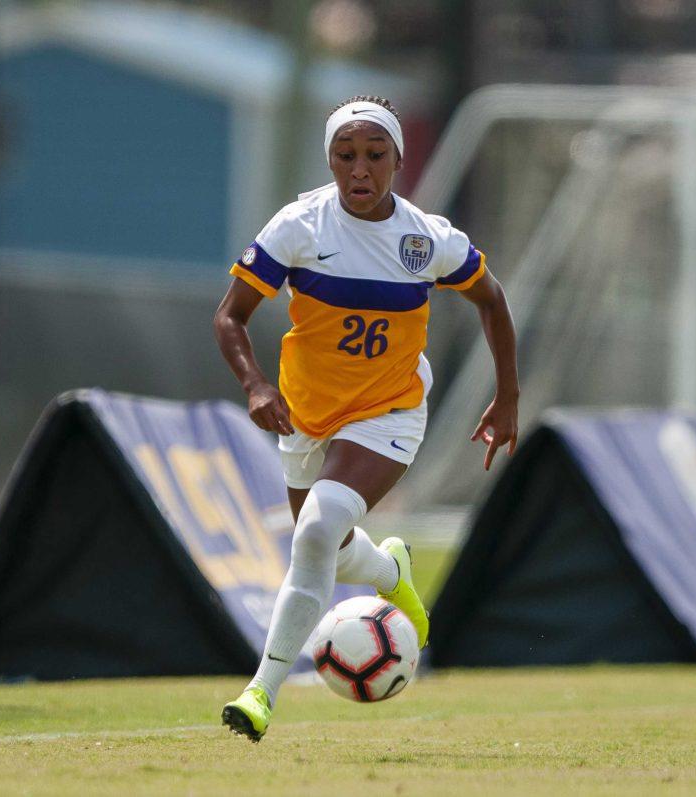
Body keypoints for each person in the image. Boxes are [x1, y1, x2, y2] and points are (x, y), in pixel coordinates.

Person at [214, 96, 519, 742]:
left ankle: (260, 691)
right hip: (303, 413)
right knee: (324, 541)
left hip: (390, 410)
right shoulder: (299, 227)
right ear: (328, 159)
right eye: (344, 155)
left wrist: (508, 395)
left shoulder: (427, 238)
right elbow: (229, 316)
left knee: (318, 528)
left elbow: (492, 301)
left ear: (399, 160)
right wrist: (255, 385)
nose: (359, 169)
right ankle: (389, 572)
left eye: (374, 155)